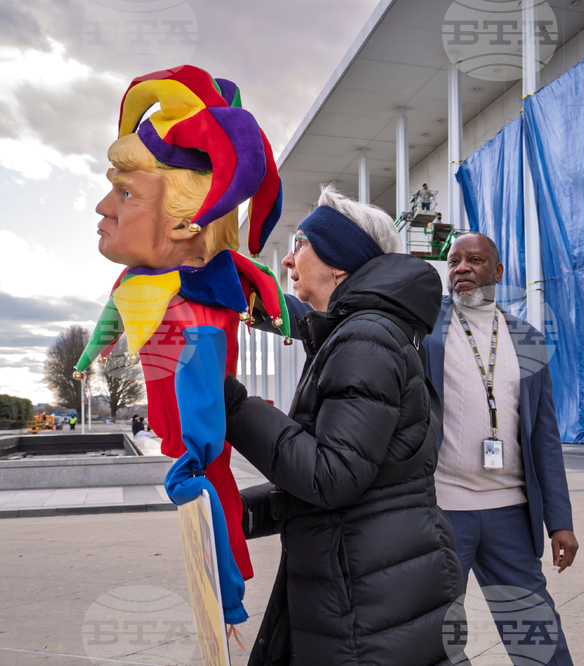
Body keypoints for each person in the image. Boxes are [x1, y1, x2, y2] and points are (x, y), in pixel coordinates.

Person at [74, 65, 290, 624]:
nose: (105, 207)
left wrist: (193, 454)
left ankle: (228, 598)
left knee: (202, 479)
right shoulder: (149, 289)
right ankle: (226, 593)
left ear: (184, 226)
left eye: (125, 193)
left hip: (194, 442)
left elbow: (199, 389)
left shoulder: (193, 308)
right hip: (188, 437)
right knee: (201, 478)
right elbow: (111, 320)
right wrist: (87, 356)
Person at [224, 185, 465, 666]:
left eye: (300, 244)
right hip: (367, 584)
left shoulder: (365, 338)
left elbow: (331, 475)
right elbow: (364, 480)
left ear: (338, 262)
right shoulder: (362, 331)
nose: (289, 262)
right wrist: (242, 512)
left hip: (367, 606)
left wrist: (232, 406)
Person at [423, 231, 578, 665]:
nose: (462, 269)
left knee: (538, 638)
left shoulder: (526, 339)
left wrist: (559, 521)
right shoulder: (423, 331)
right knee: (435, 636)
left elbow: (544, 436)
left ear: (498, 271)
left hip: (510, 513)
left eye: (474, 260)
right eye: (454, 262)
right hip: (442, 512)